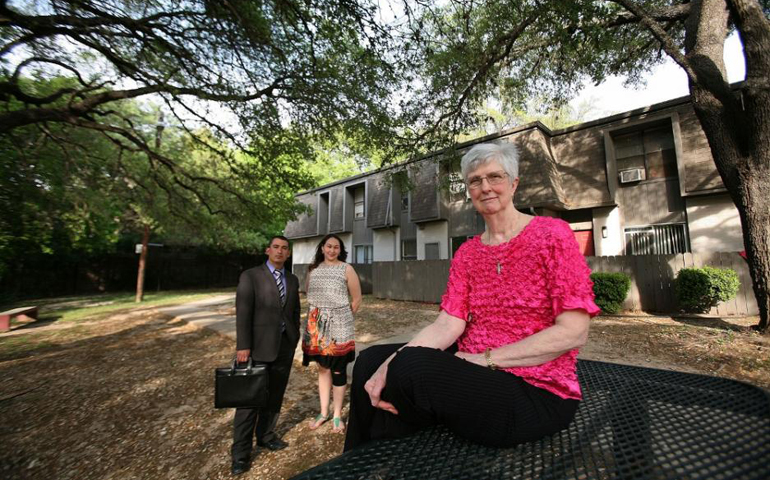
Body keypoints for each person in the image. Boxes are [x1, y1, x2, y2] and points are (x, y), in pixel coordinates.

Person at [344, 142, 600, 451]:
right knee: (370, 361)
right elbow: (447, 325)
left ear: (514, 183)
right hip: (473, 373)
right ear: (468, 189)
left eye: (495, 177)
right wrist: (390, 362)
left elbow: (573, 332)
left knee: (412, 369)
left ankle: (400, 450)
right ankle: (361, 460)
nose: (486, 187)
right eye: (475, 180)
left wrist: (483, 360)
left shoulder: (553, 235)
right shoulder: (468, 252)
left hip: (537, 390)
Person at [231, 235, 301, 475]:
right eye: (276, 247)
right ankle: (240, 454)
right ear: (267, 250)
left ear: (288, 253)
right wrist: (243, 346)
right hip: (257, 347)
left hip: (284, 347)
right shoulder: (251, 276)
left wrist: (295, 337)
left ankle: (266, 436)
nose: (280, 252)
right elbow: (243, 312)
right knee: (249, 401)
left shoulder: (292, 279)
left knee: (275, 396)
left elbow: (294, 311)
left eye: (284, 248)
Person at [303, 234, 363, 434]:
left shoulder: (347, 269)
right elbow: (310, 295)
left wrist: (341, 316)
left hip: (340, 324)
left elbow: (356, 299)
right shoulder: (313, 270)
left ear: (340, 250)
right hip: (317, 326)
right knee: (322, 368)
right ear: (322, 248)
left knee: (338, 369)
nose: (332, 250)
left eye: (336, 247)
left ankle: (337, 414)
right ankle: (323, 411)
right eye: (328, 246)